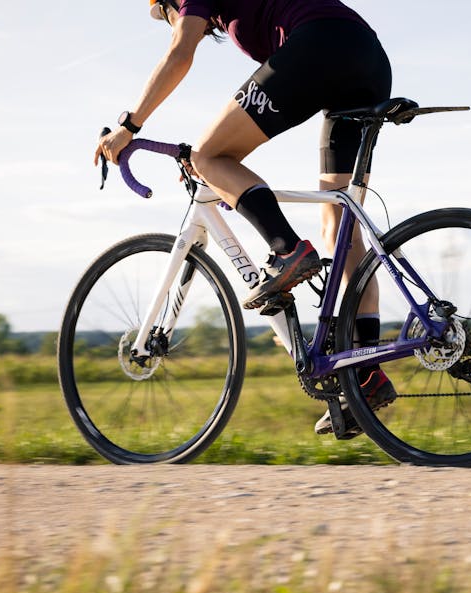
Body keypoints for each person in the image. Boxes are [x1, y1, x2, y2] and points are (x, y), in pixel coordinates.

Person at [95, 0, 396, 435]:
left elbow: (180, 55)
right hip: (363, 56)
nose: (177, 20)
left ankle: (287, 250)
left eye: (169, 14)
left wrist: (129, 125)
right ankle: (365, 374)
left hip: (320, 45)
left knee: (208, 156)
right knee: (340, 227)